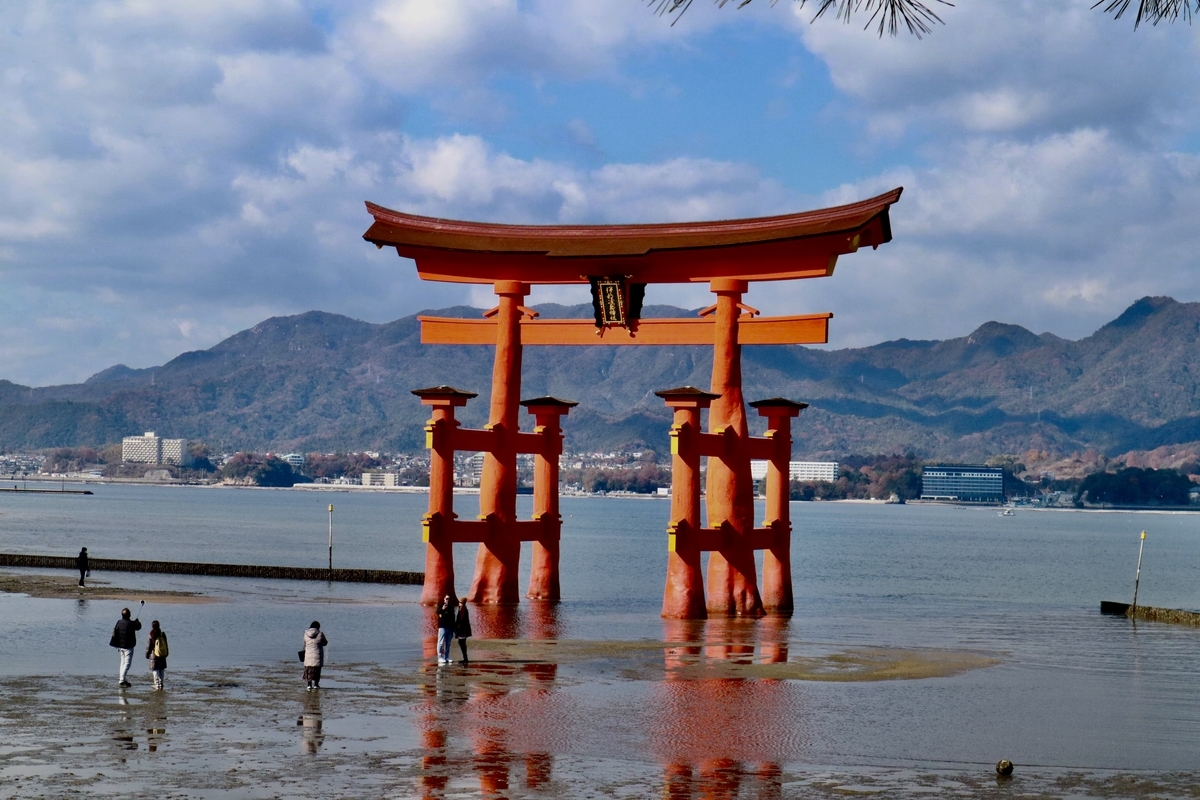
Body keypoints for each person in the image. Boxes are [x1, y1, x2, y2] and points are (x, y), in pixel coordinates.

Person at [109, 607, 142, 688]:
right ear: (129, 615)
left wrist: (135, 622)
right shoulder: (131, 623)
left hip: (120, 646)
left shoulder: (119, 622)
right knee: (127, 663)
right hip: (128, 646)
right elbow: (138, 627)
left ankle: (122, 679)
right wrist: (137, 622)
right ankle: (122, 680)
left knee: (123, 663)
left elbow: (136, 626)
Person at [302, 621, 328, 690]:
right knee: (317, 670)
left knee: (308, 670)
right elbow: (325, 643)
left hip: (308, 655)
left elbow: (304, 643)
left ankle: (309, 685)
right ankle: (316, 684)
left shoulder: (306, 634)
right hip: (317, 655)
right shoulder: (320, 633)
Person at [144, 620, 168, 690]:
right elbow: (166, 645)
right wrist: (167, 653)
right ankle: (161, 683)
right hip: (162, 654)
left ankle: (156, 684)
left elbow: (149, 646)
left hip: (154, 654)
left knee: (155, 669)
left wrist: (147, 654)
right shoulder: (162, 634)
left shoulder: (151, 634)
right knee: (161, 669)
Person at [435, 595, 456, 665]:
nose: (448, 600)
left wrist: (454, 627)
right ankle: (440, 657)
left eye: (449, 599)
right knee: (441, 642)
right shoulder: (440, 605)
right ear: (444, 599)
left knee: (448, 643)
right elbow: (437, 612)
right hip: (442, 626)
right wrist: (442, 609)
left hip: (450, 627)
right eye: (446, 598)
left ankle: (447, 657)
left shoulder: (451, 607)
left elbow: (453, 617)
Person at [454, 597, 472, 665]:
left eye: (461, 602)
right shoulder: (461, 609)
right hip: (463, 629)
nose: (459, 603)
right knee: (462, 643)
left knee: (462, 643)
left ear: (463, 603)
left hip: (463, 629)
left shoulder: (463, 609)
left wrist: (457, 627)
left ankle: (465, 657)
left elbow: (461, 620)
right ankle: (465, 657)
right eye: (459, 602)